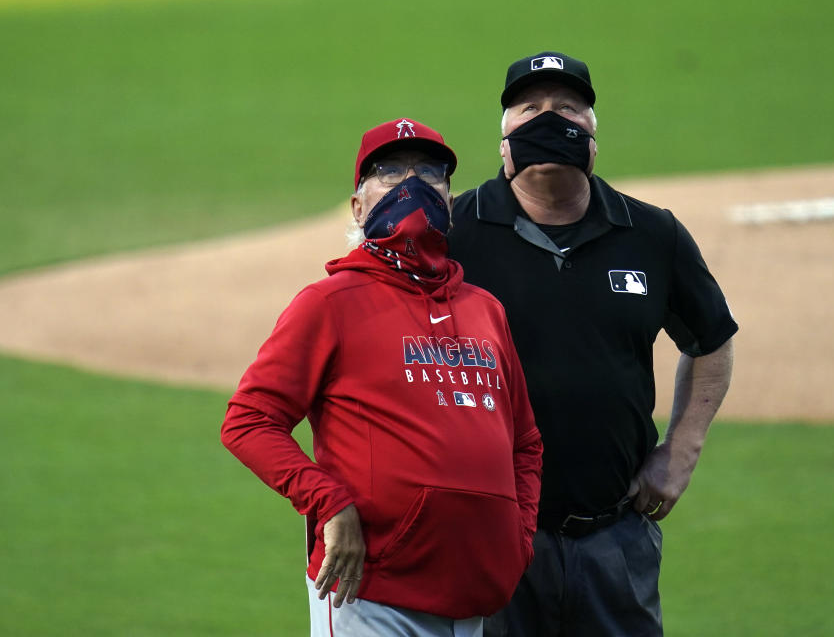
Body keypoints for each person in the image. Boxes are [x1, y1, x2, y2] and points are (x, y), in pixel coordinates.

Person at [447, 52, 738, 636]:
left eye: (568, 109)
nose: (550, 120)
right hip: (491, 534)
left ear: (594, 138)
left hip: (614, 538)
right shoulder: (456, 233)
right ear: (503, 142)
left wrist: (681, 451)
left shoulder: (651, 234)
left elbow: (712, 339)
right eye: (530, 109)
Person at [221, 118, 543, 637]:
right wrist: (329, 501)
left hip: (477, 596)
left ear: (450, 201)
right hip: (373, 595)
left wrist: (517, 537)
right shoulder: (329, 304)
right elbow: (248, 420)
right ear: (357, 206)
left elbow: (525, 442)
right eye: (389, 172)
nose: (411, 184)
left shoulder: (486, 311)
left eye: (430, 173)